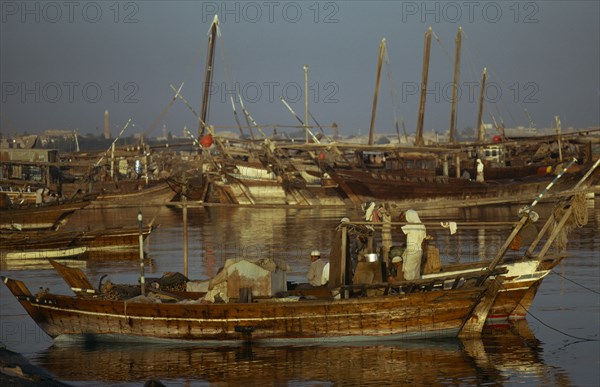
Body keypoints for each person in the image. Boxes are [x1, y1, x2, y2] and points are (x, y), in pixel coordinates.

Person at [400, 210, 427, 280]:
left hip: (412, 251)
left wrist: (400, 219)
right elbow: (424, 241)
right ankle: (416, 287)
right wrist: (423, 252)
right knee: (416, 271)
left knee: (408, 271)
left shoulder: (411, 226)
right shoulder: (422, 226)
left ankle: (409, 288)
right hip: (419, 251)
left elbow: (399, 230)